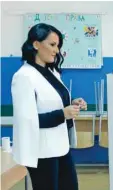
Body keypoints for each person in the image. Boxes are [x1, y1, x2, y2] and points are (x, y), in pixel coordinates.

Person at [11, 23, 87, 190]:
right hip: (42, 152)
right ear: (36, 44)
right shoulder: (24, 76)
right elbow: (28, 120)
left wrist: (72, 102)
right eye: (52, 45)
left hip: (61, 147)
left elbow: (52, 101)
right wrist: (63, 114)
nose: (57, 50)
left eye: (58, 46)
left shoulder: (52, 72)